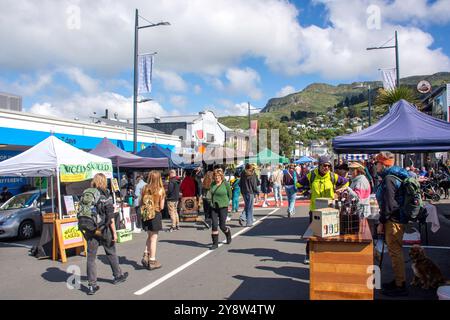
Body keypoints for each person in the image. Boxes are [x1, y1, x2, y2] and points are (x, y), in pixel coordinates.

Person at [298, 156, 349, 264]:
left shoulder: (332, 176)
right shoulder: (311, 175)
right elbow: (298, 184)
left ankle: (326, 254)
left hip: (329, 210)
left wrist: (339, 191)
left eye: (328, 166)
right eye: (324, 165)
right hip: (314, 210)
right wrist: (306, 193)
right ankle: (308, 254)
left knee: (330, 233)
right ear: (319, 165)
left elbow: (346, 182)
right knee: (313, 234)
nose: (327, 167)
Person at [85, 173, 128, 295]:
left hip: (91, 228)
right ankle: (117, 275)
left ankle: (92, 285)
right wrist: (114, 232)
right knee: (111, 252)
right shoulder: (105, 194)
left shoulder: (88, 193)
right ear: (104, 181)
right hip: (103, 228)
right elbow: (110, 216)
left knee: (91, 257)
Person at [374, 151, 409, 297]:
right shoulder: (394, 176)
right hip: (397, 219)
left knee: (395, 253)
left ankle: (400, 285)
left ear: (382, 164)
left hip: (393, 221)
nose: (375, 166)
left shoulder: (389, 178)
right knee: (396, 252)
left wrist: (382, 222)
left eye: (376, 163)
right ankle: (398, 281)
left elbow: (389, 205)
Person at [140, 171, 166, 270]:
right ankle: (152, 260)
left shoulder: (144, 188)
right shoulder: (161, 190)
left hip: (146, 214)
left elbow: (141, 201)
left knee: (149, 235)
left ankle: (146, 254)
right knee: (154, 238)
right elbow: (162, 206)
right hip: (155, 214)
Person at [208, 168, 232, 250]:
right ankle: (215, 243)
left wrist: (226, 202)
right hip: (214, 207)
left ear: (221, 176)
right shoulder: (212, 184)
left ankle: (228, 233)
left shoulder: (226, 184)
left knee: (222, 226)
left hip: (223, 207)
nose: (217, 178)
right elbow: (210, 194)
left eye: (218, 176)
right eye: (215, 176)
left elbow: (230, 194)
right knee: (214, 225)